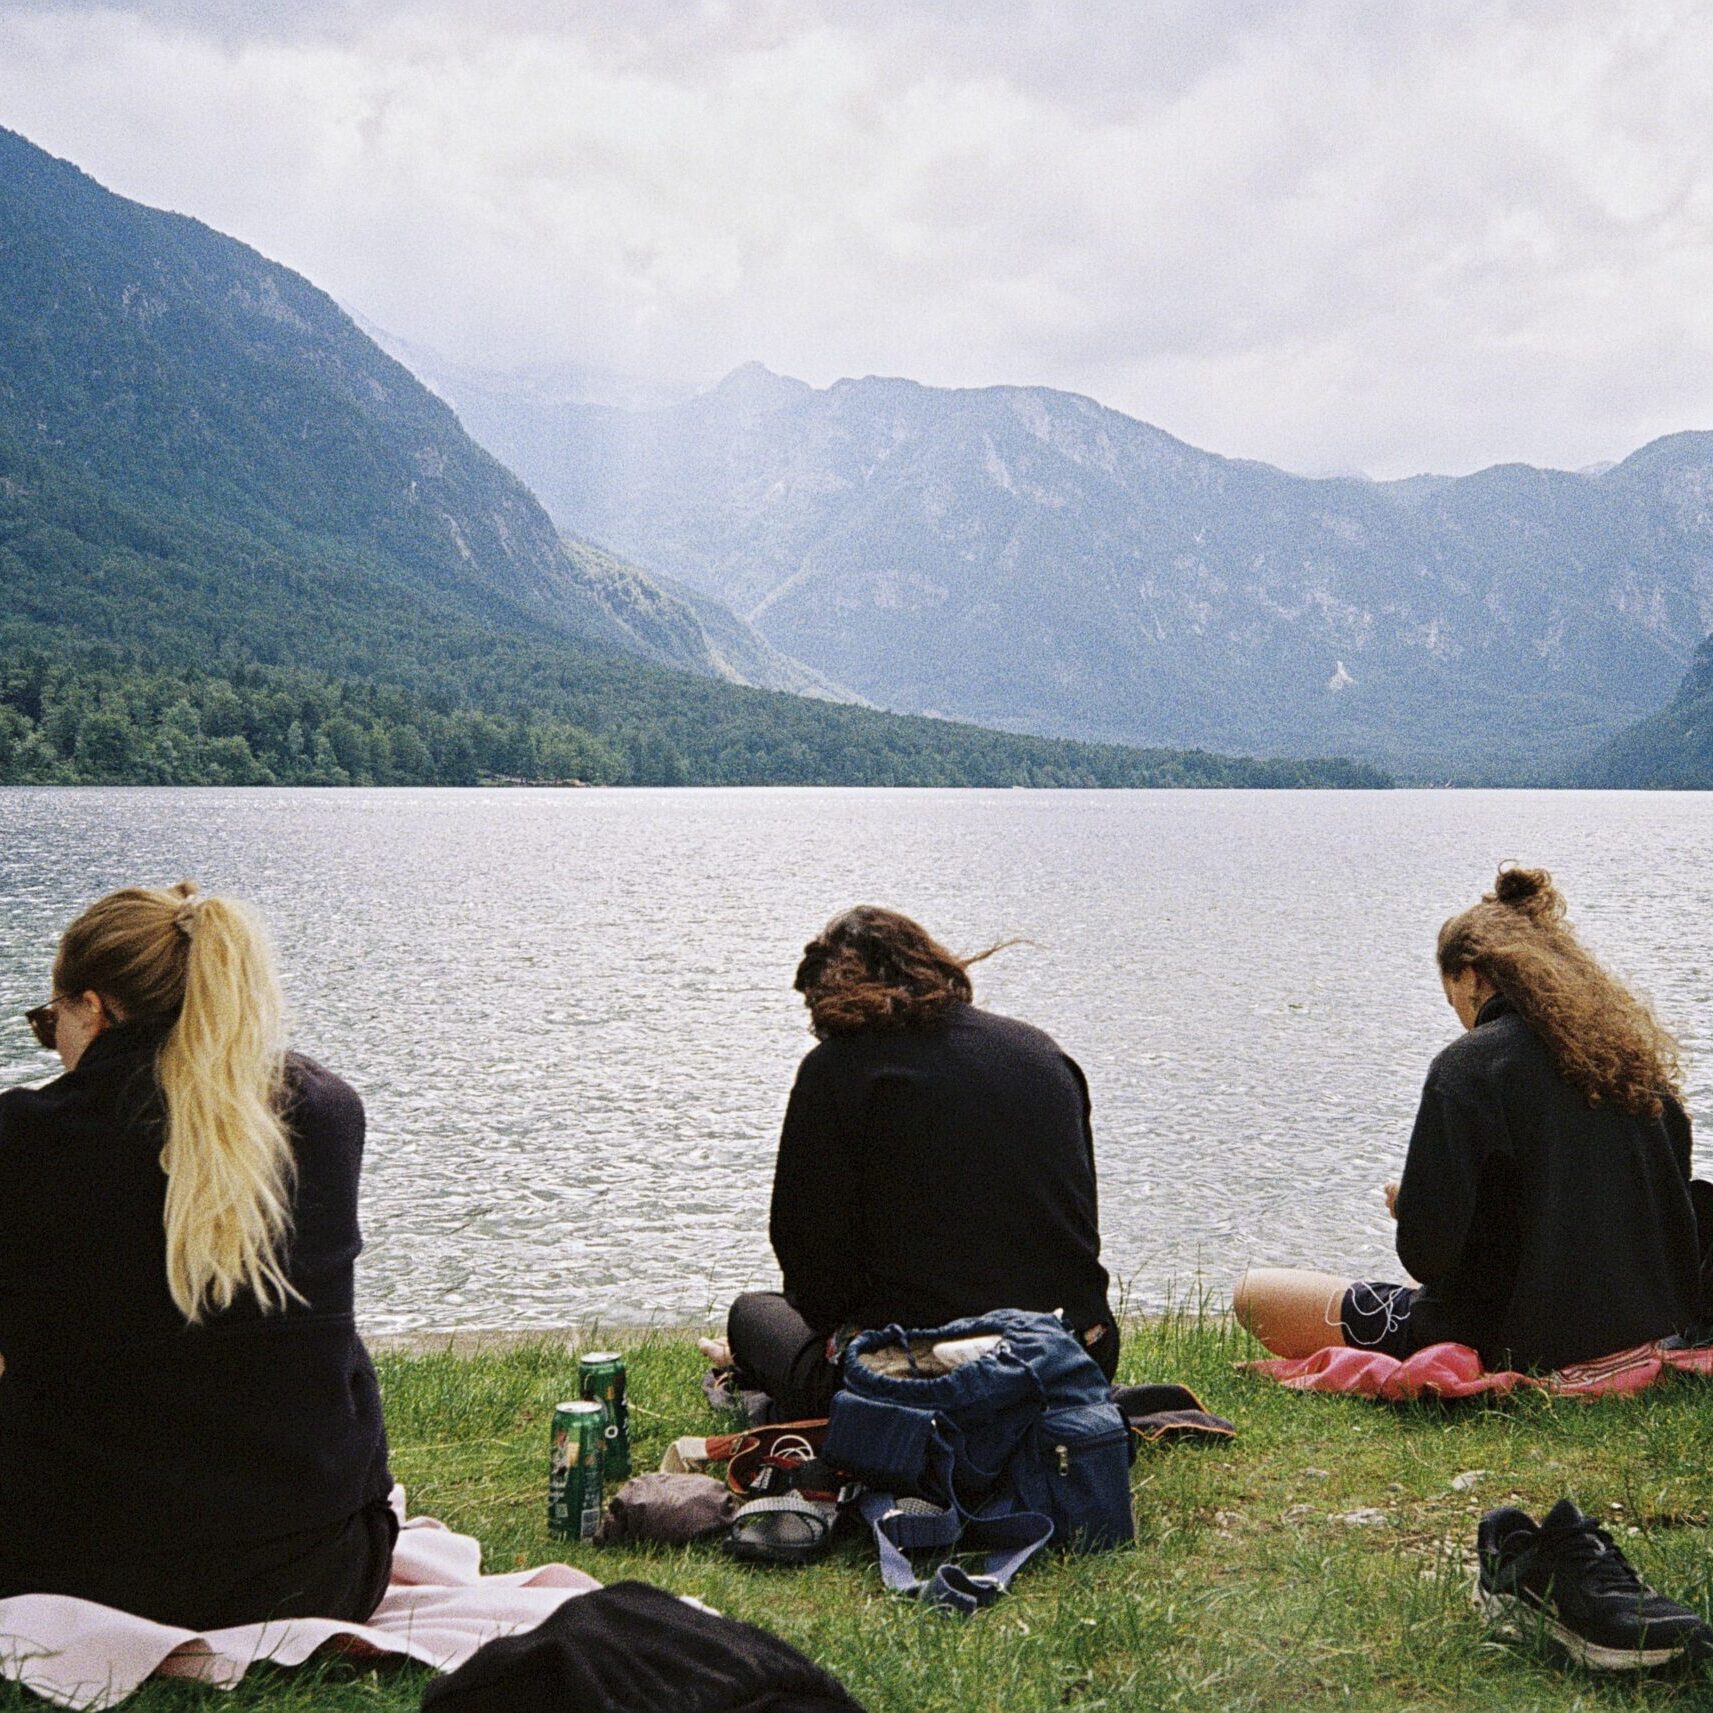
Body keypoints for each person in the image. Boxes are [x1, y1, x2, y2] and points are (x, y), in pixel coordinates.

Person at [0, 881, 395, 1628]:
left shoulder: (21, 1136)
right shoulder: (324, 1112)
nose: (55, 1049)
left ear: (93, 1007)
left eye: (50, 1025)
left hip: (64, 1570)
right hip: (317, 1568)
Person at [1233, 864, 1704, 1373]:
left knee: (1254, 1294)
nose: (1455, 1011)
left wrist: (1411, 1207)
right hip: (1645, 1327)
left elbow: (1426, 1258)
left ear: (1473, 975)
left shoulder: (1468, 1067)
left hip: (1507, 1336)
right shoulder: (1634, 1069)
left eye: (1451, 993)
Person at [701, 906, 1118, 1420]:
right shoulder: (1038, 1051)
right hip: (1073, 1355)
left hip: (918, 1380)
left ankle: (761, 1369)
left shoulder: (836, 1070)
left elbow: (811, 1273)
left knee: (754, 1315)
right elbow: (1077, 1228)